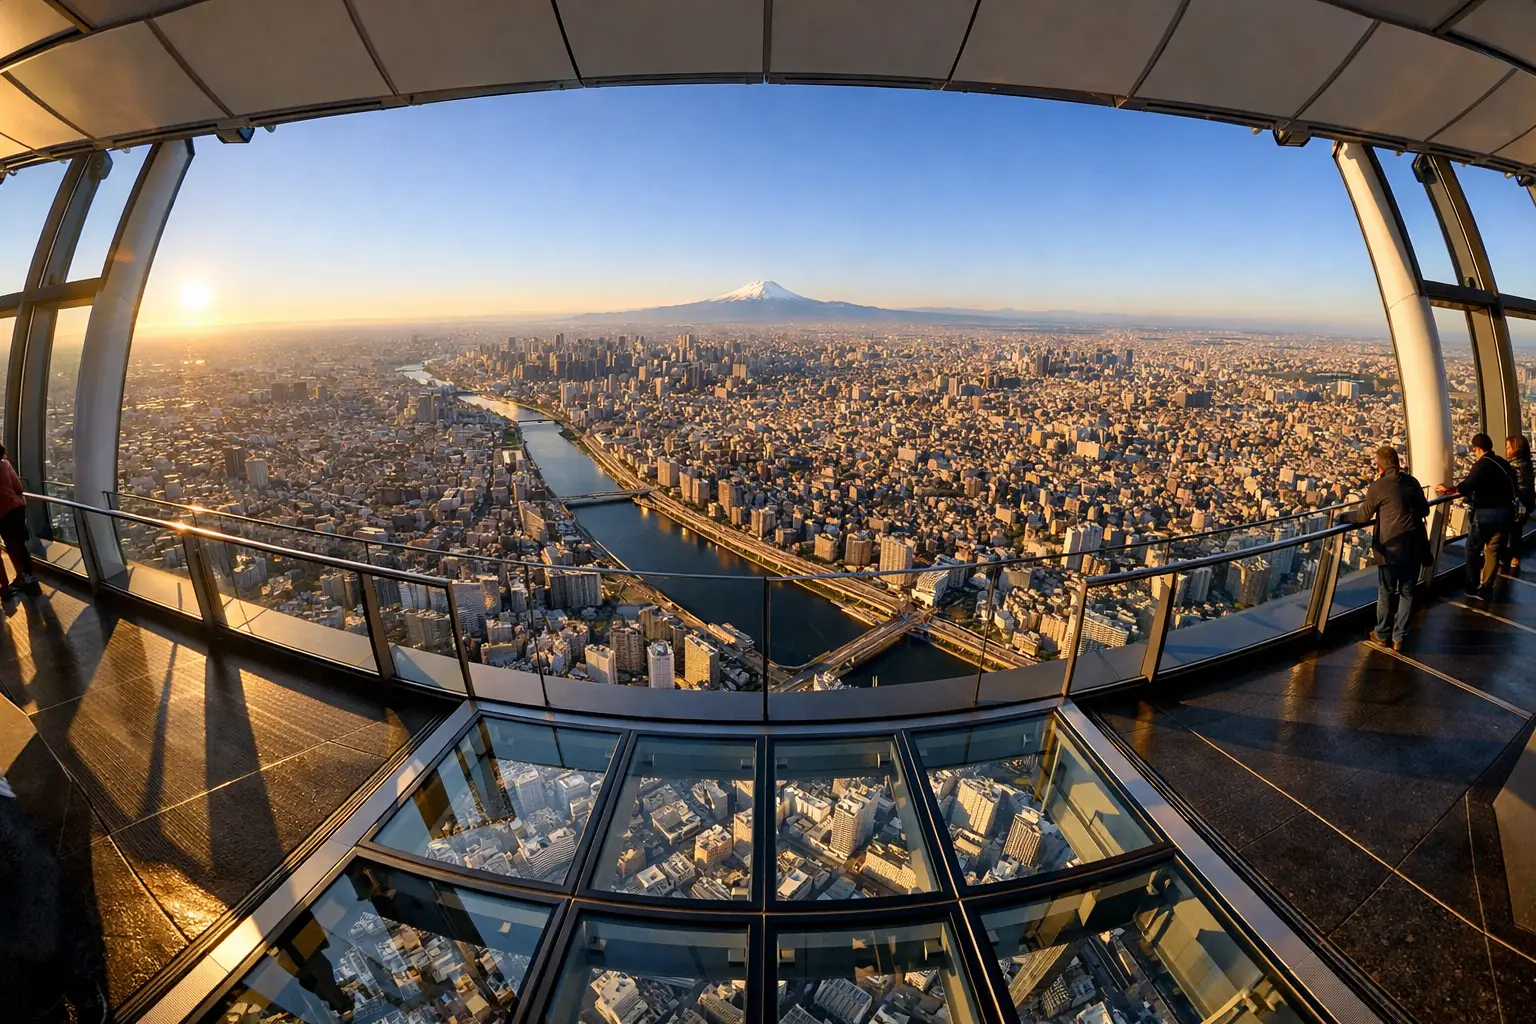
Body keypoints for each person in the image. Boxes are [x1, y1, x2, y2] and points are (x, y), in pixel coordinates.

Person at [1351, 445, 1428, 650]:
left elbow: (1362, 516)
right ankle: (1399, 638)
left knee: (1386, 591)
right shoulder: (1412, 482)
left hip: (1390, 548)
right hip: (1413, 546)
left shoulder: (1378, 487)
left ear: (1379, 466)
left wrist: (1342, 517)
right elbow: (1425, 511)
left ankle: (1382, 633)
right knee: (1407, 592)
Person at [1436, 432, 1517, 600]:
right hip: (1506, 513)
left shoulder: (1481, 465)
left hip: (1486, 512)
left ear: (1477, 449)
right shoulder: (1502, 462)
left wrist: (1450, 490)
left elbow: (1467, 486)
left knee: (1473, 549)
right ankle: (1487, 587)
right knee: (1493, 551)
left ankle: (1472, 587)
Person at [0, 444, 35, 598]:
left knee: (11, 546)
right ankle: (26, 575)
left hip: (2, 512)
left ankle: (16, 580)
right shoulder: (5, 464)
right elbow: (18, 487)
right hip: (15, 508)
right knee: (17, 544)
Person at [1505, 434, 1534, 570]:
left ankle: (1510, 556)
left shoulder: (1510, 466)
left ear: (1516, 449)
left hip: (1516, 503)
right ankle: (1514, 556)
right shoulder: (1527, 464)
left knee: (1512, 528)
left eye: (1509, 447)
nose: (1507, 450)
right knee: (1517, 528)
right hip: (1526, 502)